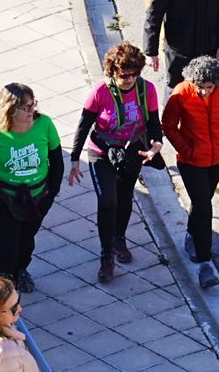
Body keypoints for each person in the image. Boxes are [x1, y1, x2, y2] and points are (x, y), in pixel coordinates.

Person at [69, 44, 163, 284]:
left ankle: (119, 239)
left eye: (134, 74)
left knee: (124, 197)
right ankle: (106, 255)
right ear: (112, 72)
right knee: (107, 202)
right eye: (124, 75)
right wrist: (74, 159)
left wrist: (157, 144)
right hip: (102, 152)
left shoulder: (147, 90)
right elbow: (83, 124)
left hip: (132, 151)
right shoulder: (100, 92)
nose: (130, 79)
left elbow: (153, 122)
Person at [162, 55, 219, 290]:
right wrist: (186, 150)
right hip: (191, 162)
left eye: (209, 88)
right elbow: (168, 125)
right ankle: (205, 262)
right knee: (204, 205)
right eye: (200, 87)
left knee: (201, 203)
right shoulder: (180, 93)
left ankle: (191, 234)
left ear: (217, 83)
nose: (204, 92)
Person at [0, 85, 61, 293]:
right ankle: (4, 283)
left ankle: (21, 269)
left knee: (26, 239)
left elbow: (56, 159)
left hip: (38, 197)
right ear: (10, 110)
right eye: (25, 107)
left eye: (32, 105)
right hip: (5, 199)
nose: (31, 110)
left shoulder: (44, 124)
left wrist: (52, 192)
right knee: (7, 244)